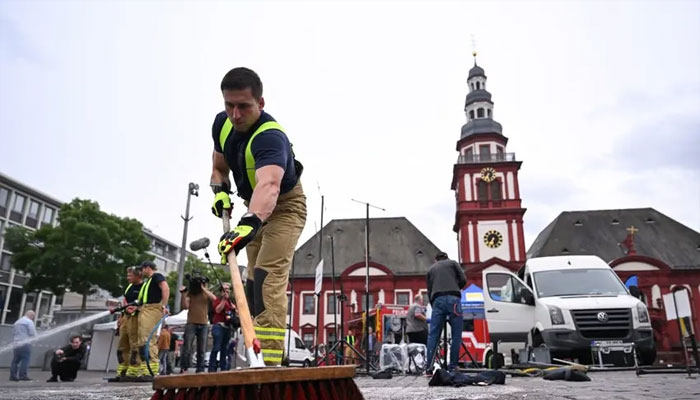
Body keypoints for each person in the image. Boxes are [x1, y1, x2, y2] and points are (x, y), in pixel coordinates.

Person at [212, 67, 307, 366]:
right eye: (230, 105)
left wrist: (248, 225)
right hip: (251, 205)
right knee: (252, 285)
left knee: (267, 277)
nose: (235, 114)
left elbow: (269, 185)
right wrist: (220, 191)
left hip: (285, 208)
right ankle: (254, 356)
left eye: (244, 106)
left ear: (260, 104)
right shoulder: (222, 124)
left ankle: (270, 363)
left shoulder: (270, 138)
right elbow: (219, 167)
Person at [425, 251, 467, 374]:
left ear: (435, 260)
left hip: (437, 300)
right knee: (456, 335)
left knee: (433, 335)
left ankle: (429, 367)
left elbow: (429, 290)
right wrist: (455, 287)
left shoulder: (431, 269)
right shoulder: (453, 263)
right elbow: (463, 279)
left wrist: (434, 304)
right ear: (447, 257)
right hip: (454, 300)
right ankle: (453, 366)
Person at [136, 260, 169, 381]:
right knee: (142, 340)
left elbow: (165, 288)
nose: (141, 271)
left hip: (153, 308)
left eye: (142, 269)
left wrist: (164, 305)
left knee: (148, 339)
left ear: (147, 268)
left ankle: (151, 370)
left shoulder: (157, 277)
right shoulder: (148, 281)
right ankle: (144, 369)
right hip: (145, 309)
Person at [109, 266, 142, 382]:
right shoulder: (128, 287)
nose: (128, 278)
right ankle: (122, 371)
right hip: (125, 317)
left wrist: (136, 308)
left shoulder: (144, 287)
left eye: (130, 275)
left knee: (134, 344)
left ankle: (133, 371)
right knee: (122, 345)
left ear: (138, 275)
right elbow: (125, 301)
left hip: (136, 318)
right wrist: (121, 317)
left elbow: (147, 303)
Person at [179, 278, 216, 373]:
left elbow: (214, 299)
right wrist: (183, 295)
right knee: (187, 347)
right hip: (191, 322)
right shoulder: (191, 293)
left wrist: (204, 289)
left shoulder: (206, 293)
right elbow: (185, 306)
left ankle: (200, 369)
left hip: (203, 323)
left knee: (202, 349)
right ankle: (184, 368)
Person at [209, 283, 237, 372]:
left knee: (224, 349)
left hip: (227, 327)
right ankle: (212, 368)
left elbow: (234, 313)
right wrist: (224, 300)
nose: (227, 291)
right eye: (225, 289)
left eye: (228, 289)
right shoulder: (218, 300)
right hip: (219, 326)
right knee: (216, 347)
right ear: (221, 292)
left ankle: (223, 368)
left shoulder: (230, 302)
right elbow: (218, 310)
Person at [10, 310, 36, 382]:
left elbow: (13, 333)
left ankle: (12, 376)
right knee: (25, 359)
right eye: (33, 316)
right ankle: (23, 375)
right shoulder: (29, 322)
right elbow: (32, 333)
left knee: (15, 360)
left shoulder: (17, 322)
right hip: (24, 343)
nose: (33, 318)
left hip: (16, 343)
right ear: (31, 315)